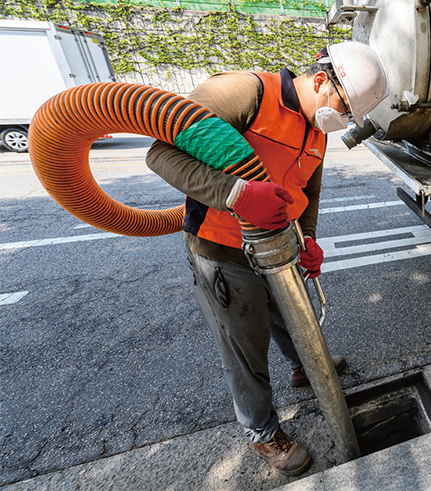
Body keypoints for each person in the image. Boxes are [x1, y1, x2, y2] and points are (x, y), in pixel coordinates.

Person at [146, 42, 389, 477]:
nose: (346, 121)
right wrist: (235, 194)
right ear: (320, 80)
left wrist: (309, 238)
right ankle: (263, 434)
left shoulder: (317, 127)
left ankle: (303, 367)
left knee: (290, 312)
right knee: (245, 347)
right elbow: (161, 153)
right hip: (224, 249)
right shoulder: (246, 95)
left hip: (280, 247)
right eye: (346, 109)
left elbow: (308, 191)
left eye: (352, 117)